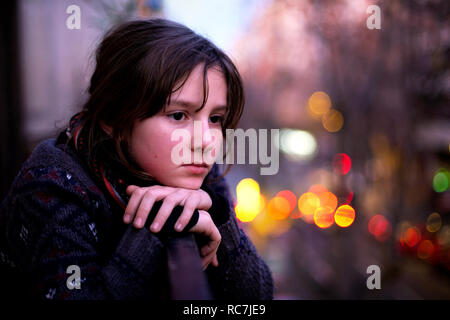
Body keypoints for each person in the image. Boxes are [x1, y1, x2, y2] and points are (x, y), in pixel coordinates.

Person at [0, 18, 273, 300]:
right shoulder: (53, 185)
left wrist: (218, 214)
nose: (206, 141)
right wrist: (159, 225)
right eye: (179, 115)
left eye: (216, 118)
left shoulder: (199, 173)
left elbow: (258, 297)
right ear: (114, 119)